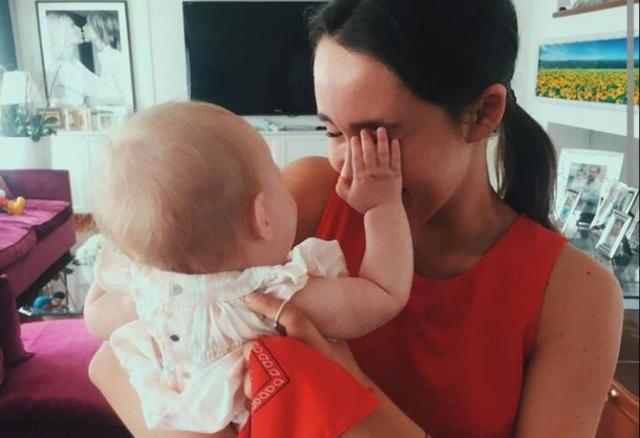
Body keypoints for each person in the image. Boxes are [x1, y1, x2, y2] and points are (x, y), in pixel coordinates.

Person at [88, 1, 623, 437]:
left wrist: (343, 383)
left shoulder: (573, 294)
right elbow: (118, 357)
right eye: (332, 131)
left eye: (374, 138)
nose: (347, 168)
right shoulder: (306, 198)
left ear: (482, 113)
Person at [83, 101, 412, 434]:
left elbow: (94, 318)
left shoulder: (147, 291)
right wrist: (382, 206)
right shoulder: (269, 295)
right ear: (263, 217)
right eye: (277, 177)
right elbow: (382, 294)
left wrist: (133, 256)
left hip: (179, 416)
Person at [83, 12, 132, 108]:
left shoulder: (115, 57)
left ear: (99, 27)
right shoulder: (102, 57)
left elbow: (128, 98)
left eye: (87, 24)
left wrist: (97, 101)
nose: (83, 27)